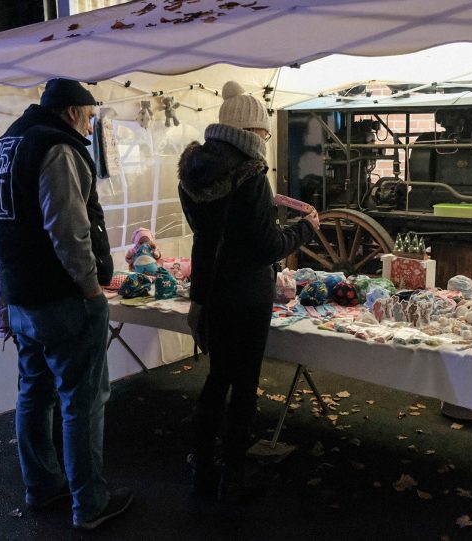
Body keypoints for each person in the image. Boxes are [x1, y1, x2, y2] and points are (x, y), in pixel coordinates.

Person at [0, 78, 132, 530]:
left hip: (24, 296)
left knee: (34, 393)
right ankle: (89, 503)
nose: (89, 129)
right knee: (82, 401)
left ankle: (42, 486)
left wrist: (3, 297)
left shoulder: (5, 146)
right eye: (88, 118)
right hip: (62, 298)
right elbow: (67, 228)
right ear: (70, 112)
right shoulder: (58, 148)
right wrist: (90, 287)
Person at [178, 81, 320, 511]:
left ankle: (202, 471)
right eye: (264, 132)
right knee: (242, 388)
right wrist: (303, 229)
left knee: (216, 378)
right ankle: (233, 480)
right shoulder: (251, 175)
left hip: (209, 290)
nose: (266, 140)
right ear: (252, 132)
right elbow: (262, 247)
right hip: (246, 296)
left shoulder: (193, 171)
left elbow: (212, 237)